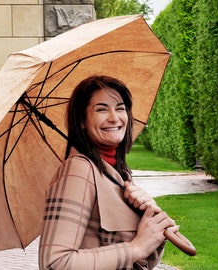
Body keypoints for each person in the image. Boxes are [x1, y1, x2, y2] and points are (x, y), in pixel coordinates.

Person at [39, 75, 178, 270]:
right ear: (81, 120)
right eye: (102, 109)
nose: (114, 117)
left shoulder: (119, 174)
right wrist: (135, 247)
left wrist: (152, 225)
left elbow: (141, 264)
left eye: (120, 108)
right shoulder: (79, 170)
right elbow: (55, 263)